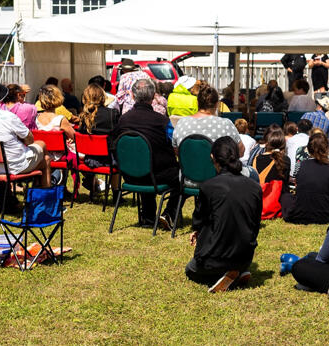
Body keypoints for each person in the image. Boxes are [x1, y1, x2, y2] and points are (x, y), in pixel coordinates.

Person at [186, 136, 262, 292]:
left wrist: (197, 232)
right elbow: (255, 224)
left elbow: (199, 220)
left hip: (214, 258)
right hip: (245, 257)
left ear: (213, 158)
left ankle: (223, 277)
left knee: (190, 270)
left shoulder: (209, 186)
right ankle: (236, 272)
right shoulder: (255, 187)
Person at [0, 79, 53, 213]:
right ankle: (44, 203)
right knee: (44, 154)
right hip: (15, 165)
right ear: (1, 97)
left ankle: (20, 198)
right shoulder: (8, 117)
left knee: (42, 158)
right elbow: (29, 138)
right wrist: (24, 143)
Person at [111, 78, 180, 228]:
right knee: (182, 175)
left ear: (133, 96)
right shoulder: (162, 121)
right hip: (156, 175)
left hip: (129, 175)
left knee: (144, 162)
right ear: (154, 95)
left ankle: (149, 217)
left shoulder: (123, 120)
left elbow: (113, 145)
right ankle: (169, 213)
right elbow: (175, 145)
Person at [282, 133, 329, 224]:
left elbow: (298, 188)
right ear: (326, 148)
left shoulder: (299, 165)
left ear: (308, 148)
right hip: (325, 214)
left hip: (299, 213)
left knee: (286, 196)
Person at [35, 85, 76, 168]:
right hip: (59, 155)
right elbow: (75, 136)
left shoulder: (36, 118)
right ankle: (91, 180)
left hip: (43, 154)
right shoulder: (60, 119)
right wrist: (69, 138)